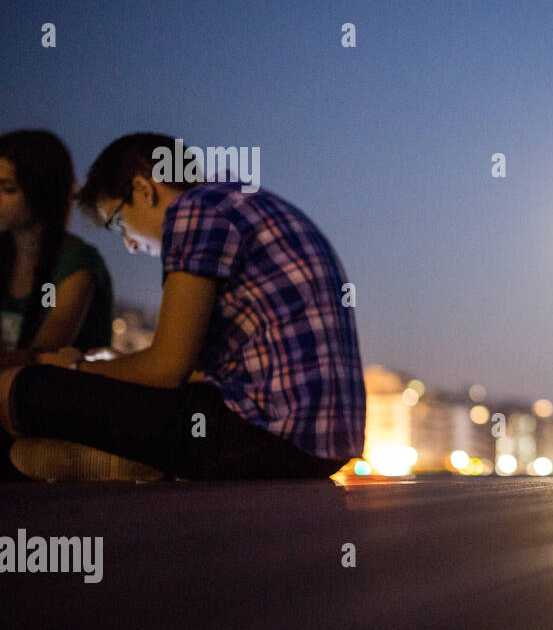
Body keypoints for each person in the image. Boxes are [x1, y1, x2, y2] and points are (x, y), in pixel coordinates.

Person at [0, 132, 365, 481]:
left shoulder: (196, 210)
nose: (128, 243)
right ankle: (126, 461)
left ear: (143, 189)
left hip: (270, 435)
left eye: (117, 223)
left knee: (23, 387)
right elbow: (191, 371)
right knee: (37, 437)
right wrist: (107, 365)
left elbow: (167, 368)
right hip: (321, 442)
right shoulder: (240, 201)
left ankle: (132, 461)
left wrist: (76, 368)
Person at [0, 129, 113, 366]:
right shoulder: (6, 252)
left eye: (8, 189)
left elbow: (45, 352)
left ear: (41, 192)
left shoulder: (73, 263)